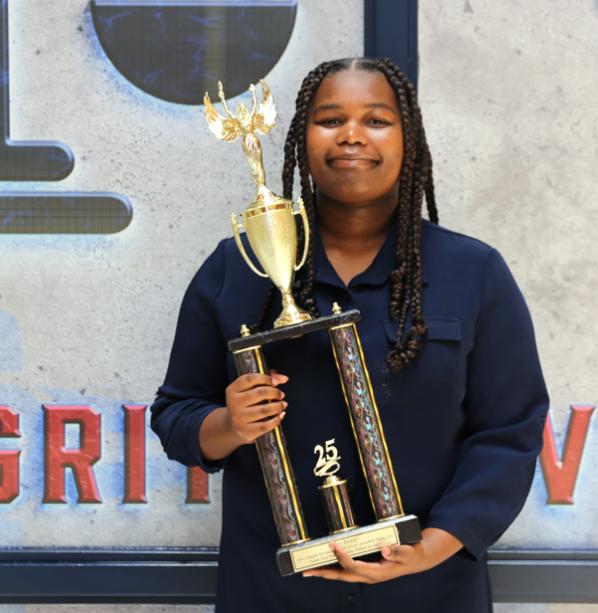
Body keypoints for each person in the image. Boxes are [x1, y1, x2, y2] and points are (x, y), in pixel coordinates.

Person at [151, 57, 549, 612]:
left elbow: (509, 431)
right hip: (273, 592)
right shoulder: (240, 267)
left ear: (409, 140)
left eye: (377, 120)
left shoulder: (473, 272)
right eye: (331, 119)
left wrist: (433, 546)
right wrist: (229, 423)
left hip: (430, 592)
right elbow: (175, 413)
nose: (352, 136)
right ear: (301, 138)